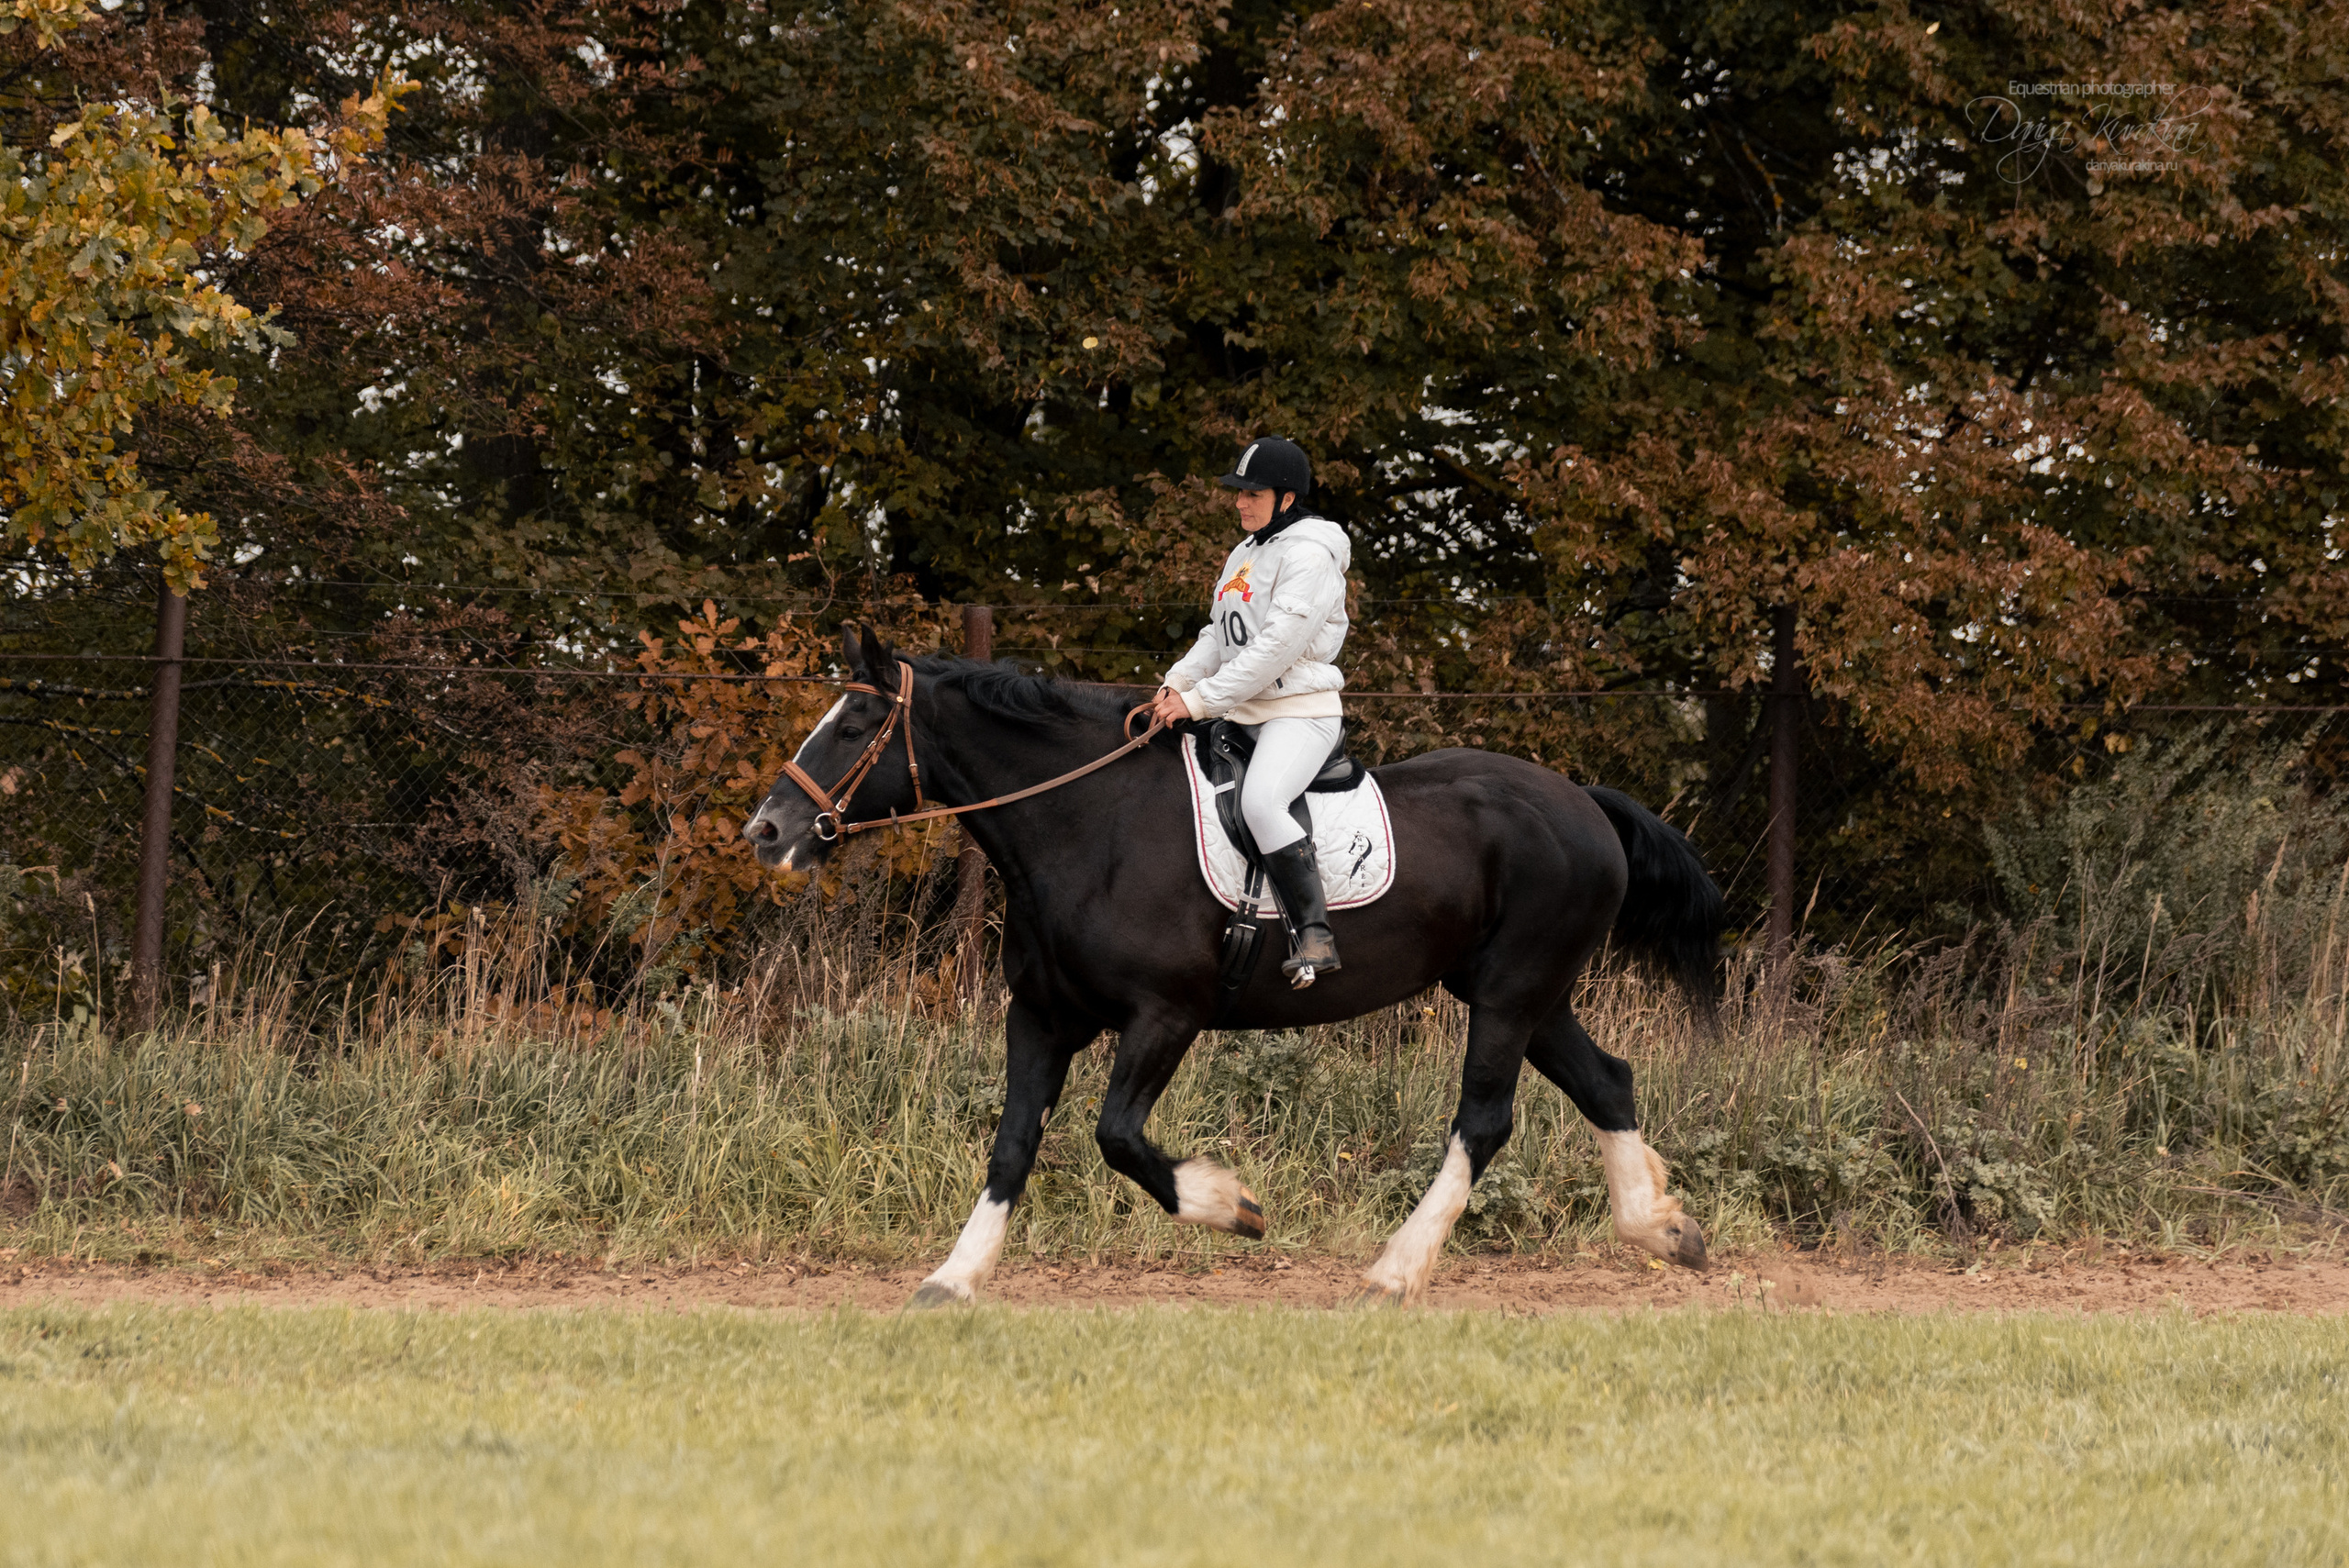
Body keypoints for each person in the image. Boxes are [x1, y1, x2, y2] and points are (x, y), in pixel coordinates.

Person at [1151, 437, 1352, 983]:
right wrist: (1175, 684)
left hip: (1298, 712)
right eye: (1238, 493)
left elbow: (1274, 650)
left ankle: (1315, 935)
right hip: (1242, 710)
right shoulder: (1246, 551)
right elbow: (1218, 636)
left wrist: (1199, 701)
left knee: (1262, 801)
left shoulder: (1310, 555)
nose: (1240, 502)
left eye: (1253, 494)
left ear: (1287, 498)